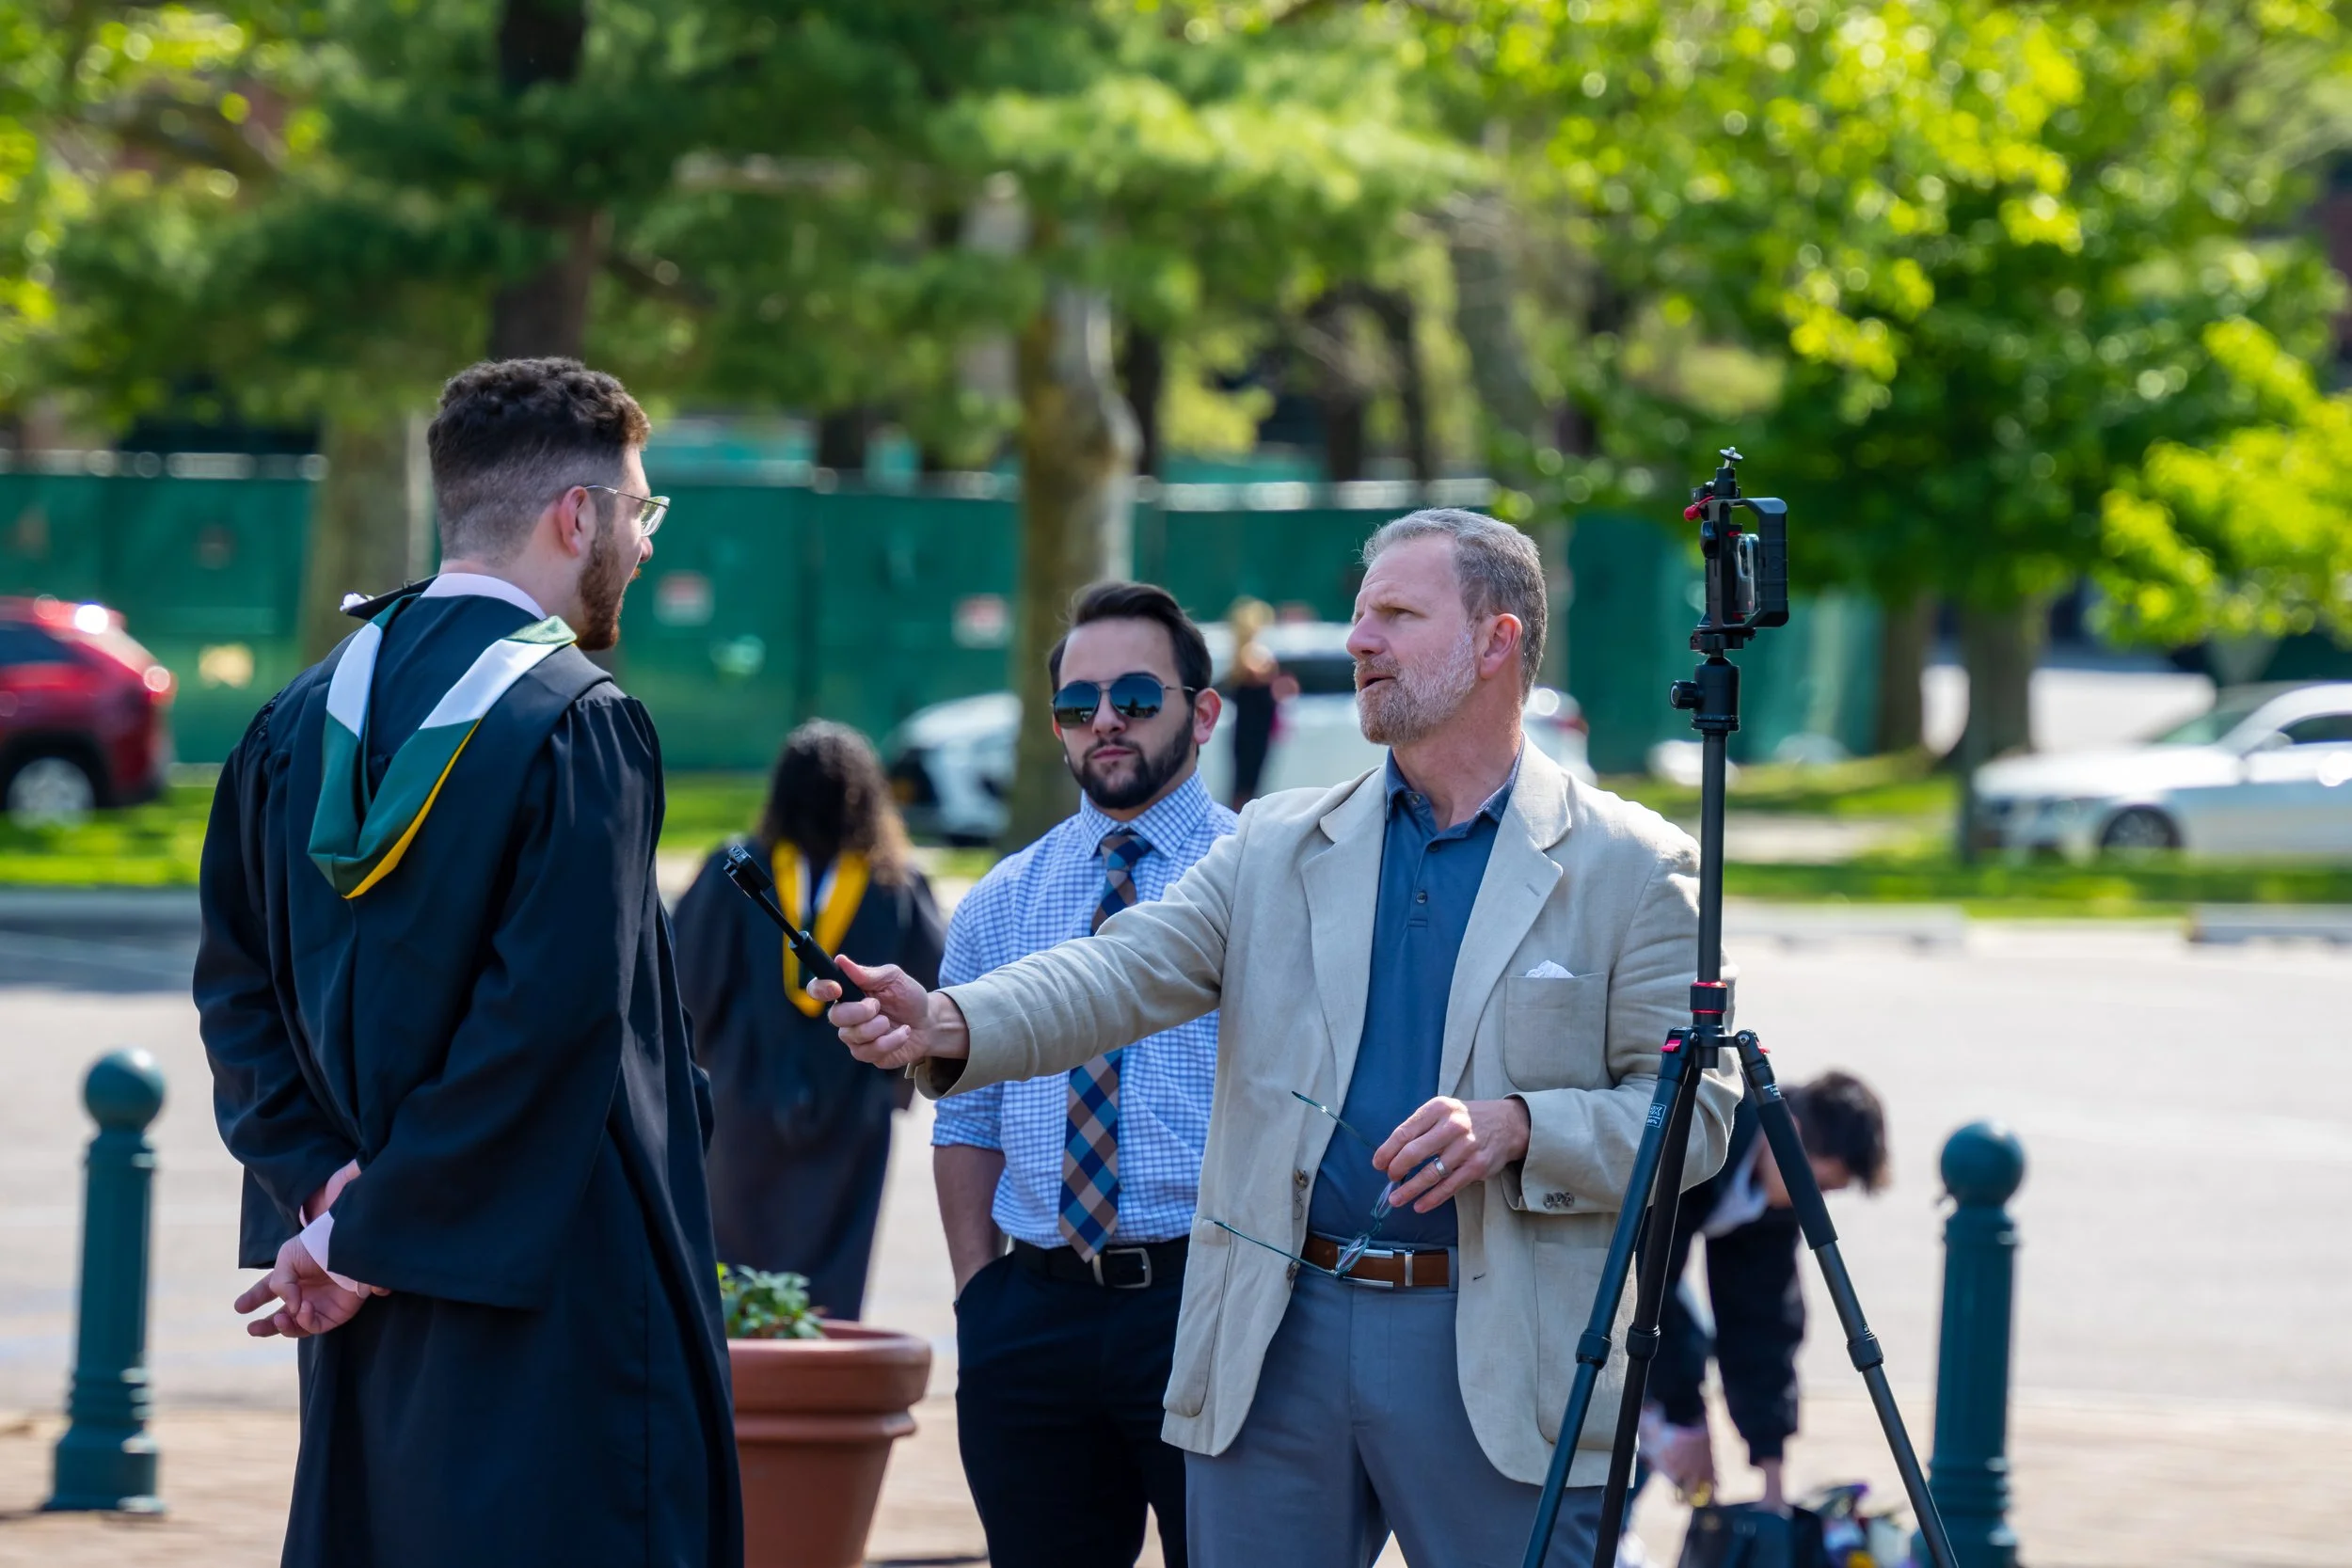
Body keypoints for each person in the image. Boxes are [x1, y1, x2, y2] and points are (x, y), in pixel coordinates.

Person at [818, 510, 1741, 1568]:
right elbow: (1120, 968)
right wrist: (948, 1017)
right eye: (1360, 613)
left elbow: (1694, 1117)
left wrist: (1522, 1126)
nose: (1359, 640)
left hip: (1497, 1344)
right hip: (1279, 1333)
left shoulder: (1635, 866)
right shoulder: (1277, 842)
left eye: (1397, 614)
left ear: (1498, 641)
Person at [195, 357, 740, 1567]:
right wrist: (370, 1226)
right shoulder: (578, 720)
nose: (645, 540)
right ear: (576, 515)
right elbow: (550, 1025)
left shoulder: (295, 721)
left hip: (361, 1293)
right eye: (640, 508)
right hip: (560, 1302)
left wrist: (327, 1195)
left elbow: (236, 992)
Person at [930, 580, 1236, 1568]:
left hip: (1206, 1305)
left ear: (1203, 712)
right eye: (1077, 702)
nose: (1105, 720)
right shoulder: (1002, 897)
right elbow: (965, 1120)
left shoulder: (1262, 878)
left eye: (1136, 696)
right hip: (1034, 1317)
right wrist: (980, 1298)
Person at [673, 721, 946, 1319]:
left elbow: (689, 981)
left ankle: (738, 1371)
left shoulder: (738, 873)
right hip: (851, 1104)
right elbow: (933, 994)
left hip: (745, 1097)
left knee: (735, 1266)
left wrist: (702, 1067)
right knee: (832, 1269)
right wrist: (891, 1086)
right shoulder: (895, 884)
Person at [1645, 1071, 1891, 1513]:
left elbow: (1761, 1326)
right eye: (1818, 1186)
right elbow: (1646, 1284)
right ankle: (1595, 1530)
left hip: (1646, 1276)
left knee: (1679, 1363)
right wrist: (1686, 1420)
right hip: (1590, 1254)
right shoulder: (1702, 1132)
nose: (1814, 1203)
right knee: (1656, 1365)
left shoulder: (1776, 1197)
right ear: (1788, 1132)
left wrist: (1772, 1485)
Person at [1221, 595, 1284, 807]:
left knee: (1244, 780)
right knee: (1249, 779)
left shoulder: (1241, 657)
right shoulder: (1254, 657)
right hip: (1254, 732)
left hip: (1247, 731)